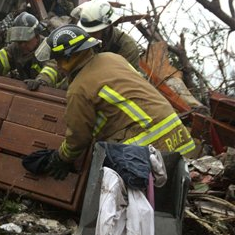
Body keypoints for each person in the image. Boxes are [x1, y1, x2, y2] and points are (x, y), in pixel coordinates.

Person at [33, 24, 196, 180]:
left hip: (145, 146)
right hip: (177, 134)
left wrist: (62, 157)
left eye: (57, 59)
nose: (57, 65)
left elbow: (79, 137)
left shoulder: (78, 88)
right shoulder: (113, 58)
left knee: (124, 199)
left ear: (68, 57)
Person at [0, 12, 61, 90]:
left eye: (25, 41)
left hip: (51, 94)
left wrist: (41, 82)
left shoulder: (47, 48)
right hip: (25, 90)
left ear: (36, 36)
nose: (22, 45)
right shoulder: (15, 48)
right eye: (19, 42)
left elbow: (52, 68)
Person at [74, 0, 141, 70]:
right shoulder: (80, 39)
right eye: (87, 32)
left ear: (107, 28)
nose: (90, 36)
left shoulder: (127, 48)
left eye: (94, 32)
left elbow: (126, 77)